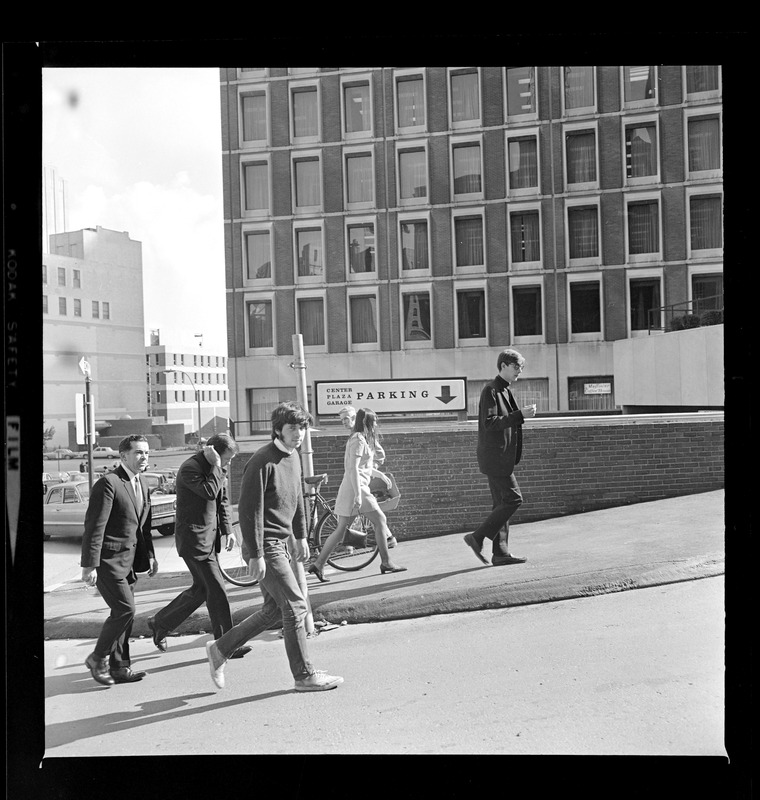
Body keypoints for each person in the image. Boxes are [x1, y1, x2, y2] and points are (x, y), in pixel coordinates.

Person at [205, 402, 343, 692]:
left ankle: (220, 650)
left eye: (302, 427)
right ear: (278, 429)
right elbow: (249, 510)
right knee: (295, 606)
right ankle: (304, 676)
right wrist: (255, 554)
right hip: (264, 545)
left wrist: (301, 535)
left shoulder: (293, 457)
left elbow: (296, 499)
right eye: (293, 428)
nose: (299, 433)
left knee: (272, 610)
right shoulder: (262, 461)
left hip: (279, 542)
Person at [148, 433, 251, 660]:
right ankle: (226, 644)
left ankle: (160, 622)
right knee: (216, 590)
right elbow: (209, 492)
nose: (229, 463)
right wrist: (216, 465)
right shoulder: (190, 468)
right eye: (227, 458)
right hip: (194, 541)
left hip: (208, 539)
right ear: (213, 451)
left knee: (203, 590)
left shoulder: (216, 469)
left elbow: (221, 501)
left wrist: (228, 531)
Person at [80, 435, 159, 686]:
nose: (143, 457)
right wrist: (89, 565)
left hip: (130, 562)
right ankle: (97, 657)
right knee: (126, 609)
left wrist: (150, 555)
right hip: (108, 561)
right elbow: (94, 527)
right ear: (123, 456)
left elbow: (143, 526)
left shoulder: (142, 483)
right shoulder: (109, 483)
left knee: (123, 615)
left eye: (146, 453)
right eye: (138, 452)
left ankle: (120, 668)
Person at [307, 407, 405, 582]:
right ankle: (386, 562)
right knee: (380, 521)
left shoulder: (358, 438)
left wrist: (380, 475)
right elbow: (352, 468)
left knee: (340, 530)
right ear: (367, 422)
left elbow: (361, 467)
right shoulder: (359, 440)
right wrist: (359, 495)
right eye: (373, 422)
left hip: (351, 488)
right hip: (357, 488)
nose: (376, 425)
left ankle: (319, 564)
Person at [463, 348, 536, 567]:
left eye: (521, 369)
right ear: (503, 365)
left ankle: (500, 552)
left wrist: (518, 416)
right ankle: (476, 537)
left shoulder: (503, 390)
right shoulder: (491, 390)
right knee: (514, 499)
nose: (519, 373)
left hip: (500, 458)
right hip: (495, 459)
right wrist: (520, 415)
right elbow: (490, 422)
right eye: (516, 368)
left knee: (501, 503)